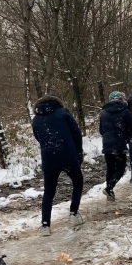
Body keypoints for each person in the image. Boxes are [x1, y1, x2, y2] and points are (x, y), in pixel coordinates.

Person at [32, 93, 84, 236]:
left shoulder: (36, 119)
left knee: (49, 191)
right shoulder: (63, 113)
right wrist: (79, 152)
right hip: (68, 155)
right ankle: (74, 214)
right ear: (57, 102)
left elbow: (39, 138)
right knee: (78, 182)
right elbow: (76, 133)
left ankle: (45, 225)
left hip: (49, 158)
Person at [99, 91, 132, 200]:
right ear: (122, 100)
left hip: (107, 144)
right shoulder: (125, 112)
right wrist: (127, 139)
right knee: (120, 169)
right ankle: (110, 188)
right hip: (119, 145)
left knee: (110, 168)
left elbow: (101, 130)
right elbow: (131, 129)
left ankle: (109, 190)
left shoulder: (103, 113)